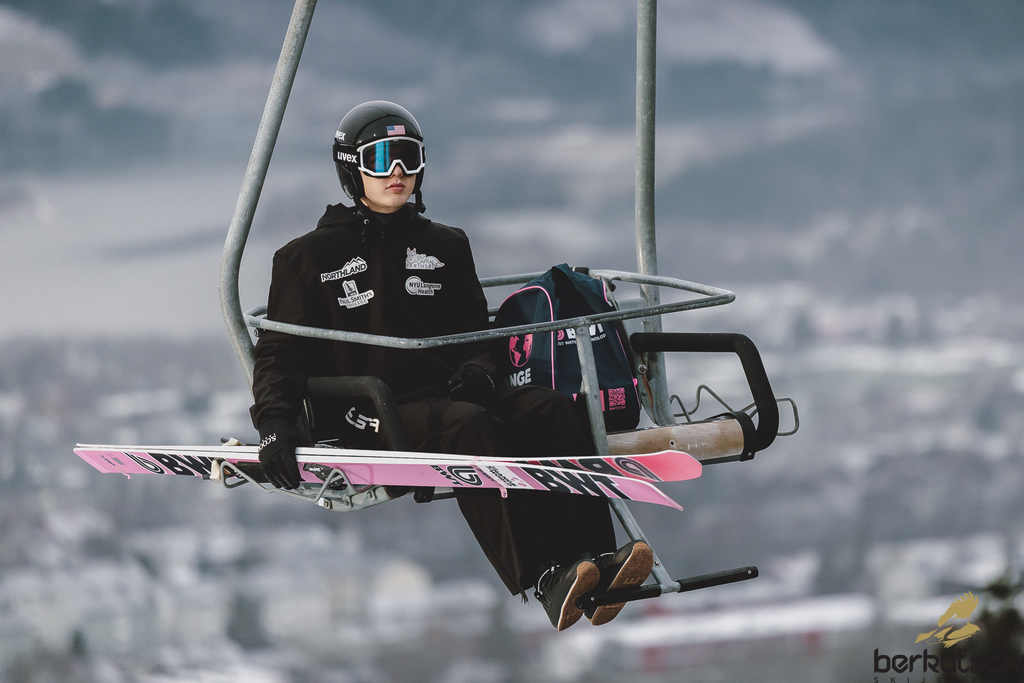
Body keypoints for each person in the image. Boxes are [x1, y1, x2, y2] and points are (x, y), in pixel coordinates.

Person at [249, 100, 653, 630]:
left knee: (549, 408)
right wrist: (275, 425)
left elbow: (476, 333)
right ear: (351, 168)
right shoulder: (307, 258)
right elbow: (279, 353)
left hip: (449, 394)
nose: (397, 172)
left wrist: (481, 371)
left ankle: (596, 560)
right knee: (470, 426)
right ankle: (544, 576)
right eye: (381, 159)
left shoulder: (444, 245)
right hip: (371, 409)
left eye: (408, 157)